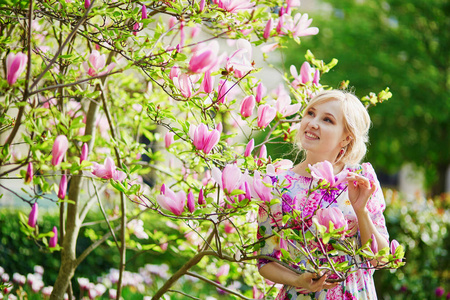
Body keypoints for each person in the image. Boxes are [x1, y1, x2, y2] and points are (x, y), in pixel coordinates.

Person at [257, 90, 390, 299]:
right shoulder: (277, 185)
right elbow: (265, 261)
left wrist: (361, 211)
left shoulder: (361, 179)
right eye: (310, 113)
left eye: (327, 119)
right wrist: (297, 280)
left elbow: (381, 259)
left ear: (346, 138)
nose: (312, 123)